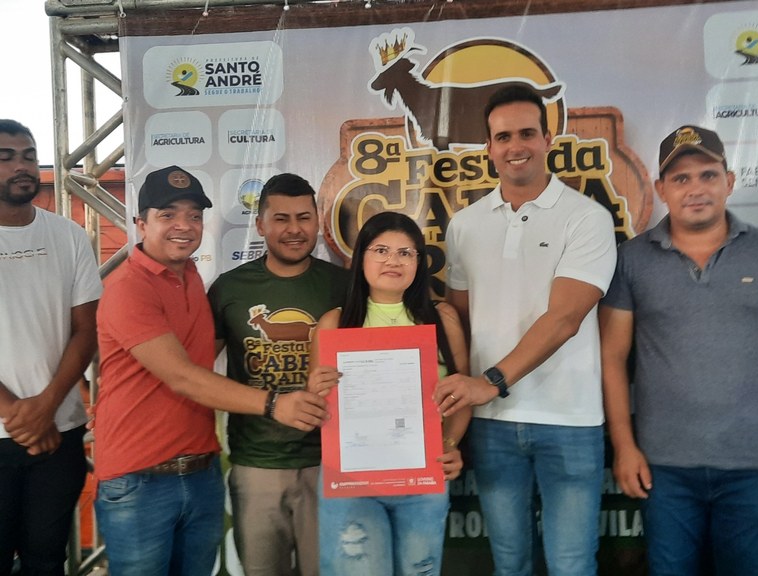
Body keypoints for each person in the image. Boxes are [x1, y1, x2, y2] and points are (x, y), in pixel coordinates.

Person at [95, 166, 329, 576]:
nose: (183, 226)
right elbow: (183, 376)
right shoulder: (129, 286)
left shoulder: (191, 279)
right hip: (139, 480)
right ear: (140, 224)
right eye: (168, 215)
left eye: (194, 215)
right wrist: (275, 404)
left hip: (201, 472)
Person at [433, 85, 617, 575]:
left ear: (547, 139)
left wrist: (489, 381)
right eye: (503, 136)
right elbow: (457, 323)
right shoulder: (464, 226)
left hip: (570, 419)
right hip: (490, 422)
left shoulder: (587, 218)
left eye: (527, 133)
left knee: (571, 565)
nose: (516, 146)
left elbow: (564, 319)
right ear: (488, 147)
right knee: (509, 564)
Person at [600, 125, 758, 576]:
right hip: (664, 467)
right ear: (661, 190)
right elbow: (612, 358)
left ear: (729, 181)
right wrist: (624, 446)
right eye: (681, 178)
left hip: (754, 464)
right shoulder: (632, 259)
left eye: (708, 175)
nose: (696, 189)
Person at [307, 211, 471, 576]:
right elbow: (316, 407)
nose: (393, 261)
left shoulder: (442, 319)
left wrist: (449, 444)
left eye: (405, 253)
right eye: (381, 250)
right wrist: (316, 391)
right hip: (351, 480)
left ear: (419, 262)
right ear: (361, 257)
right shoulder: (335, 323)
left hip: (422, 478)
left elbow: (461, 397)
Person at [207, 173, 349, 576]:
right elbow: (197, 373)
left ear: (318, 221)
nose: (294, 229)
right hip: (257, 464)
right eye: (281, 219)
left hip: (331, 463)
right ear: (260, 225)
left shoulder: (346, 285)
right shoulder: (229, 288)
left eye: (304, 217)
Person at [0, 119, 102, 576]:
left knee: (46, 560)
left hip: (59, 432)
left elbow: (86, 330)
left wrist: (46, 408)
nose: (20, 166)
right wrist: (20, 417)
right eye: (6, 158)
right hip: (16, 430)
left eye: (28, 156)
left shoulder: (69, 235)